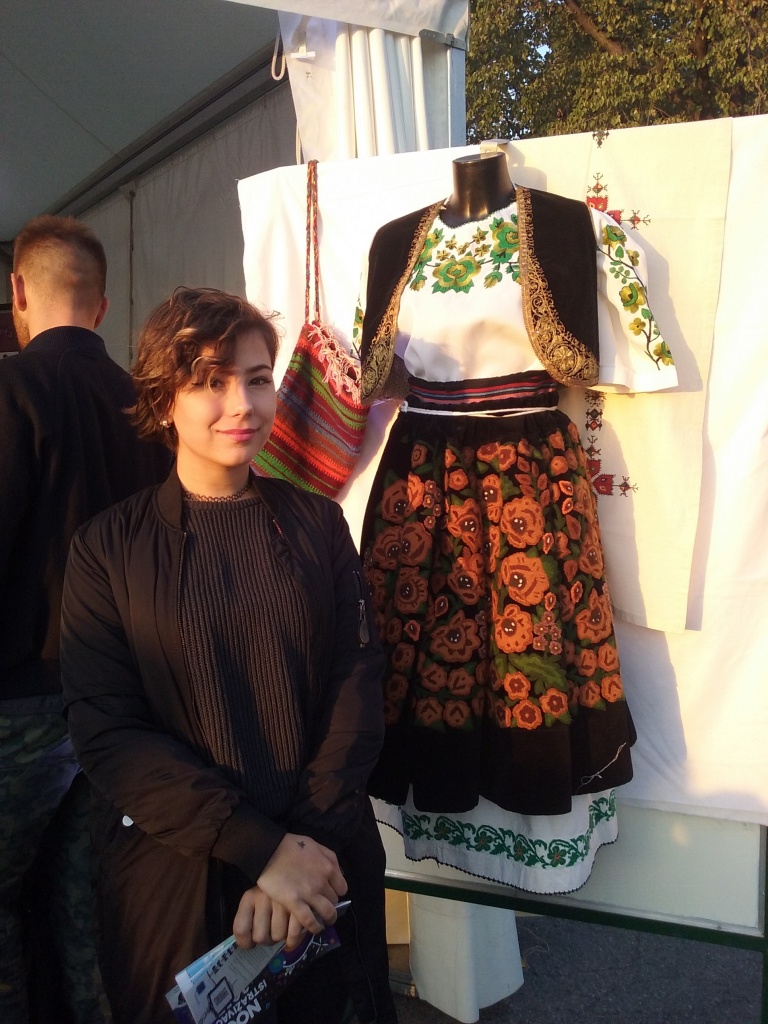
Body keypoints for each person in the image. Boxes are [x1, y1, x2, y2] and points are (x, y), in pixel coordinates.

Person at [59, 287, 397, 1024]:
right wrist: (261, 849)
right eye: (211, 381)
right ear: (163, 400)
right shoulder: (107, 550)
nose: (241, 404)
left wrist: (301, 853)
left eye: (256, 378)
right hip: (181, 873)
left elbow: (355, 682)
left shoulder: (317, 524)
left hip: (323, 858)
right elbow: (108, 731)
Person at [355, 150, 679, 894]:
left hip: (529, 466)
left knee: (531, 638)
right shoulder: (394, 240)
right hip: (423, 472)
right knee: (424, 634)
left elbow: (633, 360)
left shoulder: (567, 226)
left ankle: (537, 810)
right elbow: (376, 369)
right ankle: (434, 814)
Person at [0, 215, 170, 1023]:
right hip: (123, 704)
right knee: (87, 903)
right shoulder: (151, 409)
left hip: (21, 705)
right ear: (102, 306)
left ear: (17, 293)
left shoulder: (8, 391)